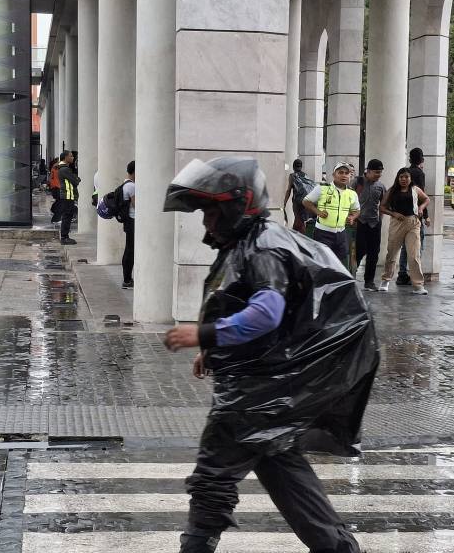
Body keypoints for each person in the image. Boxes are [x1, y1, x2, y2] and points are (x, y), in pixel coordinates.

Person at [161, 156, 379, 553]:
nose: (206, 222)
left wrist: (203, 335)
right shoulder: (253, 242)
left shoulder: (262, 247)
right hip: (265, 394)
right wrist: (215, 348)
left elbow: (266, 313)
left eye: (212, 211)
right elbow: (242, 304)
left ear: (237, 206)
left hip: (252, 397)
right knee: (285, 473)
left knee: (212, 479)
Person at [379, 167, 430, 294]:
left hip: (413, 223)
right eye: (401, 177)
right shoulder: (392, 190)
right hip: (397, 223)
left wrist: (421, 208)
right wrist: (393, 213)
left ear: (410, 178)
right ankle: (385, 280)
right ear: (398, 178)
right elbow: (382, 207)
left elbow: (426, 199)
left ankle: (418, 285)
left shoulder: (415, 189)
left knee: (414, 255)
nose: (404, 179)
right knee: (392, 253)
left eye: (406, 177)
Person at [302, 162, 359, 267]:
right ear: (334, 175)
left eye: (346, 173)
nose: (344, 175)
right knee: (323, 264)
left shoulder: (352, 193)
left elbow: (357, 210)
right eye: (340, 172)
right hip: (323, 233)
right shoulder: (322, 188)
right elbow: (306, 201)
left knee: (339, 264)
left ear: (350, 176)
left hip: (341, 234)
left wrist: (352, 217)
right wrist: (318, 212)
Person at [397, 147, 430, 285]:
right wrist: (426, 215)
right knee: (417, 246)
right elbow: (421, 196)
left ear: (410, 158)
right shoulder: (419, 173)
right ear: (421, 159)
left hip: (403, 214)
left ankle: (402, 274)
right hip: (416, 216)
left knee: (405, 246)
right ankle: (414, 275)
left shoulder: (405, 172)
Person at [354, 159, 386, 291]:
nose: (379, 175)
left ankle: (369, 281)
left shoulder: (381, 186)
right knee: (358, 251)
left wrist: (380, 220)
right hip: (359, 222)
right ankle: (350, 277)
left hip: (374, 224)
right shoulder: (357, 182)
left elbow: (383, 205)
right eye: (376, 172)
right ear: (368, 171)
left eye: (380, 172)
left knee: (373, 253)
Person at [282, 159, 313, 233]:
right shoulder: (306, 175)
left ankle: (301, 237)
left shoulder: (292, 176)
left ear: (293, 167)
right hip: (306, 201)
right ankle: (294, 234)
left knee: (299, 221)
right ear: (301, 167)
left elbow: (289, 190)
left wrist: (285, 202)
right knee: (299, 220)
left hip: (297, 202)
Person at [57, 151, 80, 245]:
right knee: (67, 217)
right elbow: (76, 181)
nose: (73, 158)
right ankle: (64, 237)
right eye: (71, 156)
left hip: (68, 196)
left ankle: (65, 236)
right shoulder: (64, 169)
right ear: (65, 158)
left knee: (68, 216)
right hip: (67, 196)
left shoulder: (64, 168)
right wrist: (76, 178)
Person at [121, 161, 135, 289]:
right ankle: (127, 279)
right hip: (132, 220)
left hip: (128, 221)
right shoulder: (131, 186)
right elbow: (136, 205)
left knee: (128, 249)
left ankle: (127, 278)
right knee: (130, 251)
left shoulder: (125, 184)